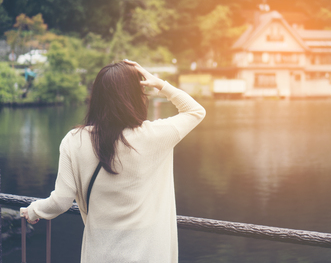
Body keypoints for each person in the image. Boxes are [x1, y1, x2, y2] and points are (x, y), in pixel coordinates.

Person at [21, 60, 206, 263]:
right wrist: (159, 84)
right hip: (148, 253)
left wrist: (32, 211)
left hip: (99, 253)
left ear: (97, 97)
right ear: (136, 97)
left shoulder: (74, 140)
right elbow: (195, 111)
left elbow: (60, 202)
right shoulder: (154, 136)